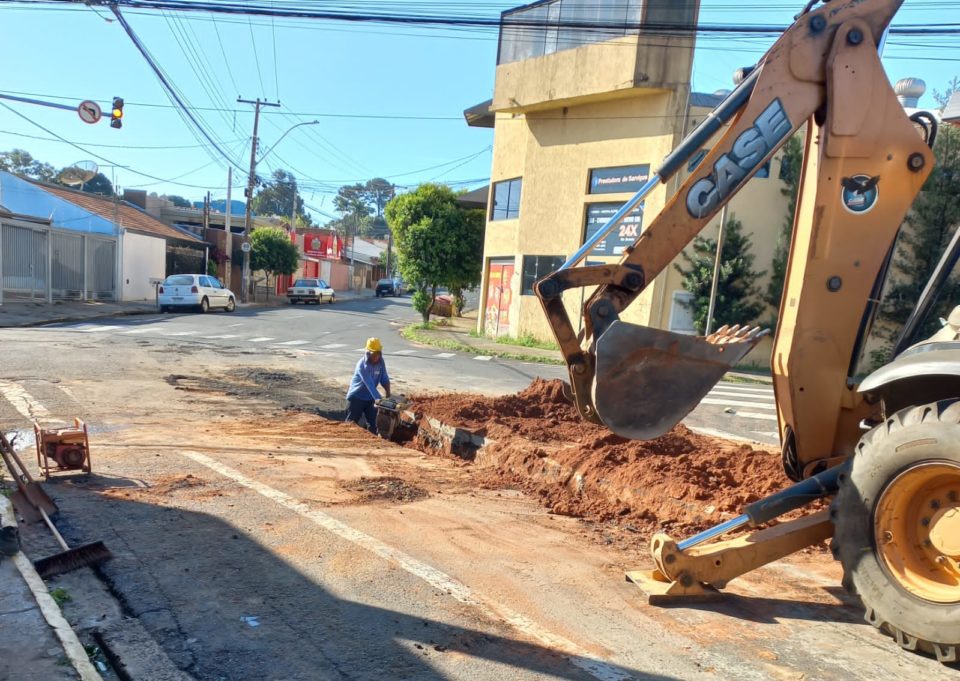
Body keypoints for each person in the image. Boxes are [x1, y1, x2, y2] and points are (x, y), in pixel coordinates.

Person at [345, 337, 391, 434]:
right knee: (350, 425)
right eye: (373, 354)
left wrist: (388, 395)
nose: (376, 357)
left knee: (374, 425)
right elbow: (369, 384)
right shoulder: (362, 365)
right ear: (368, 352)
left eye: (378, 354)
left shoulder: (381, 362)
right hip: (356, 398)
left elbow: (384, 378)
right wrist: (381, 401)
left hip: (370, 399)